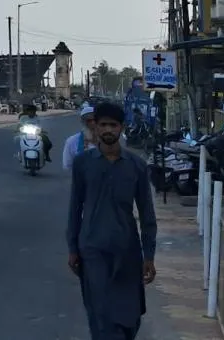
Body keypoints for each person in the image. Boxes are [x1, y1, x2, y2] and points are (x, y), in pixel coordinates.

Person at [67, 101, 157, 339]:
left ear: (121, 128)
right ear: (95, 126)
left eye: (113, 125)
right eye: (103, 124)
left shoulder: (136, 165)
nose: (108, 130)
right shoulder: (83, 163)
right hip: (92, 248)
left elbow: (147, 213)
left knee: (130, 315)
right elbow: (74, 208)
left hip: (127, 249)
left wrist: (149, 255)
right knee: (100, 313)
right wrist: (72, 248)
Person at [65, 103, 127, 171]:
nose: (92, 123)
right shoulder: (72, 141)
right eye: (88, 121)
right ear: (83, 122)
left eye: (94, 120)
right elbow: (68, 165)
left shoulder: (114, 139)